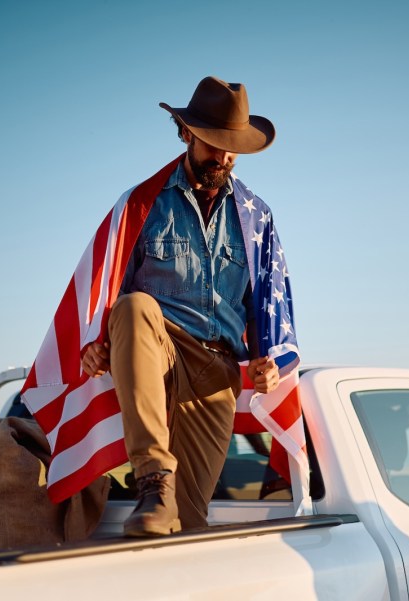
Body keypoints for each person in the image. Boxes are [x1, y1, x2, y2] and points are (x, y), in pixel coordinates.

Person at [78, 76, 286, 537]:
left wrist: (269, 362)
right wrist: (94, 342)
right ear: (188, 134)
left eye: (234, 148)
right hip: (158, 346)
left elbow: (268, 307)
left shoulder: (256, 217)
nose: (225, 157)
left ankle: (165, 519)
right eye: (215, 143)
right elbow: (107, 290)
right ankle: (153, 477)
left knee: (187, 525)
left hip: (218, 369)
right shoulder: (141, 203)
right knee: (134, 308)